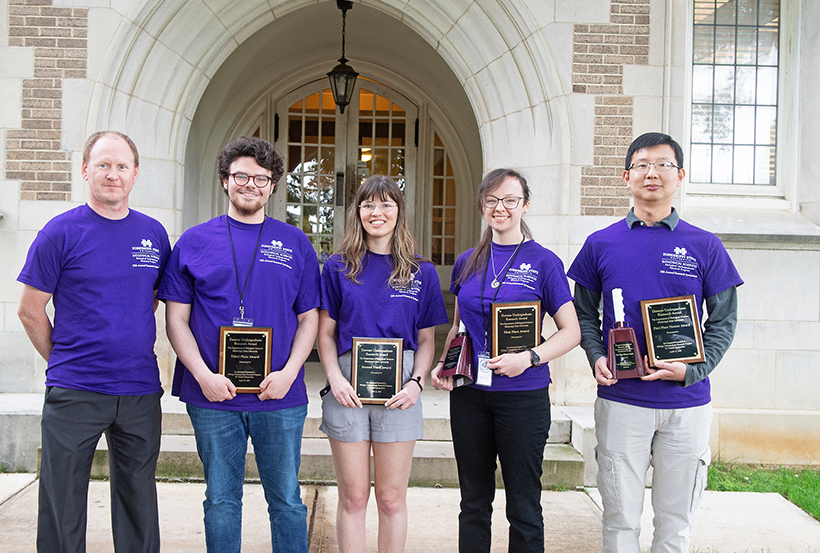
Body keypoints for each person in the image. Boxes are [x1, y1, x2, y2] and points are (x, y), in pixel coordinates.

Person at [567, 132, 742, 553]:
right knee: (620, 522)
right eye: (643, 165)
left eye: (663, 164)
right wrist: (595, 356)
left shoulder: (705, 245)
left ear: (679, 176)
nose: (652, 173)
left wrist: (694, 370)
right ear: (627, 177)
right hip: (622, 400)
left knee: (675, 526)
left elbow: (724, 321)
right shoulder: (600, 244)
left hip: (687, 405)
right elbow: (583, 315)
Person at [158, 136, 320, 553]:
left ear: (272, 185)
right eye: (242, 176)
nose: (251, 185)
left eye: (261, 178)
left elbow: (309, 319)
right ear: (225, 181)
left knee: (286, 499)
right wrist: (202, 375)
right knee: (221, 500)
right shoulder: (193, 242)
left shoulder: (296, 243)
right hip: (212, 396)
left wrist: (288, 374)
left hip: (279, 397)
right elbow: (175, 319)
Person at [17, 131, 170, 553]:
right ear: (85, 170)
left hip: (139, 390)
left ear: (135, 174)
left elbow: (150, 300)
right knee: (62, 501)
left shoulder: (154, 235)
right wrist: (64, 360)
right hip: (75, 392)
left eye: (122, 166)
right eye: (103, 164)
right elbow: (30, 310)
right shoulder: (59, 233)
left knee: (139, 502)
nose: (112, 174)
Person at [430, 169, 580, 553]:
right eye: (492, 200)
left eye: (510, 200)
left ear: (524, 205)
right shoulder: (467, 261)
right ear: (482, 206)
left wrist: (528, 358)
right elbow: (459, 327)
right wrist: (445, 365)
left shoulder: (544, 262)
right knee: (473, 502)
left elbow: (571, 332)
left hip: (523, 396)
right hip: (470, 396)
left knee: (524, 503)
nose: (501, 207)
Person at [318, 175, 449, 553]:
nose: (377, 213)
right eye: (369, 205)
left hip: (401, 389)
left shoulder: (419, 272)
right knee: (354, 497)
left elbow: (426, 340)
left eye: (386, 205)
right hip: (346, 388)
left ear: (399, 212)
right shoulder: (338, 267)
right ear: (357, 213)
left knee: (391, 498)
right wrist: (334, 379)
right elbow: (324, 334)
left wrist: (417, 383)